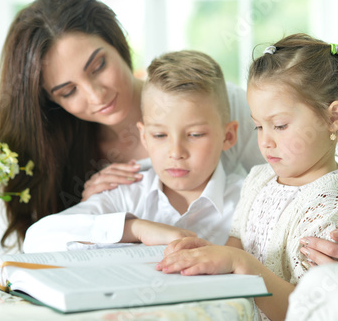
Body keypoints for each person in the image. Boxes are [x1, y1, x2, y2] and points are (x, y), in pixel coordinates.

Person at [0, 0, 338, 266]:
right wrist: (121, 223)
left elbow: (310, 189)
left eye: (97, 66)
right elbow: (43, 239)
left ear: (119, 45)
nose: (95, 94)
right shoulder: (71, 153)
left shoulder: (217, 106)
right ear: (51, 102)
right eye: (68, 90)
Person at [156, 33, 338, 320]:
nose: (264, 142)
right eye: (258, 127)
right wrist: (209, 253)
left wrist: (241, 263)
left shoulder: (327, 207)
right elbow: (237, 243)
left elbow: (308, 309)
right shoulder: (260, 177)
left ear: (333, 118)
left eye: (279, 125)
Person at [23, 50, 242, 252]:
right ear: (144, 137)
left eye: (195, 135)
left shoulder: (251, 200)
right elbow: (36, 239)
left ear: (228, 136)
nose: (176, 152)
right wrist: (136, 229)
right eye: (160, 135)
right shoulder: (125, 194)